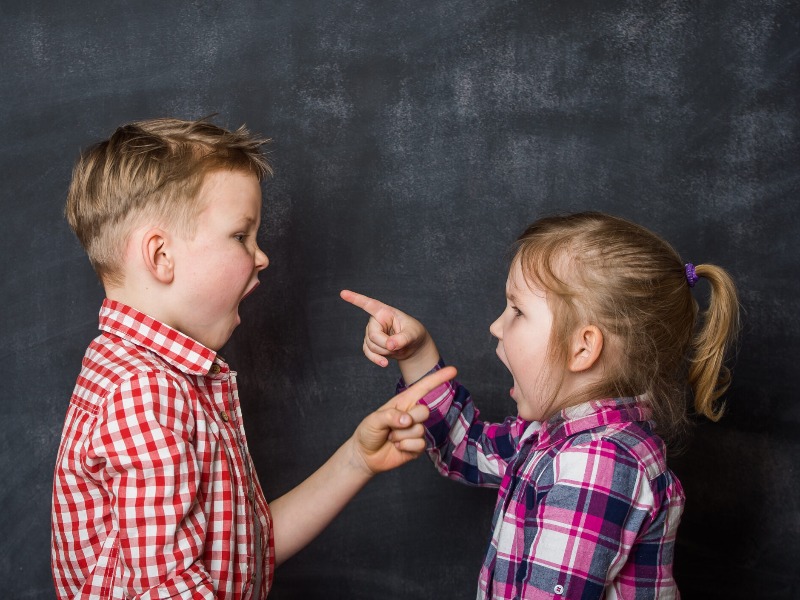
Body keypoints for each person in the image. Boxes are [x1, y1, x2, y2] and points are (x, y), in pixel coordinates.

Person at [51, 117, 456, 599]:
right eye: (241, 236)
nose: (261, 257)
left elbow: (243, 554)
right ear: (161, 256)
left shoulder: (154, 376)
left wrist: (357, 460)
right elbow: (165, 588)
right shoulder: (144, 393)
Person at [341, 211, 740, 599]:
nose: (496, 326)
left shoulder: (596, 464)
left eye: (517, 310)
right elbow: (465, 448)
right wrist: (417, 355)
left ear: (582, 347)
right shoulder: (554, 436)